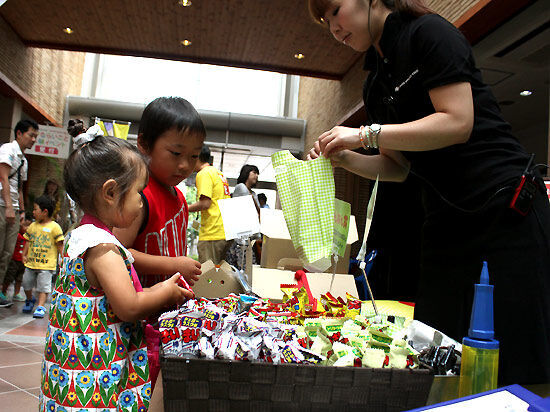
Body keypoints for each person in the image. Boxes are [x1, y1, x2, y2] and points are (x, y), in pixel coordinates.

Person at [307, 0, 550, 385]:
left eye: (335, 9)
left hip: (503, 206)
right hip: (444, 217)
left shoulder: (428, 33)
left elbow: (458, 121)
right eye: (324, 21)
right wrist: (346, 159)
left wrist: (364, 134)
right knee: (435, 350)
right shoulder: (375, 82)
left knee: (516, 357)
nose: (333, 27)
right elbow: (399, 168)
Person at [39, 130, 193, 411]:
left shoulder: (81, 237)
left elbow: (110, 299)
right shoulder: (103, 249)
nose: (141, 201)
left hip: (71, 371)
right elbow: (129, 307)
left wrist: (158, 288)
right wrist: (165, 292)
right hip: (94, 379)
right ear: (111, 193)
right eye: (138, 192)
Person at [112, 96, 203, 391]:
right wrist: (174, 265)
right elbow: (117, 254)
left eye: (194, 156)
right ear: (144, 144)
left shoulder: (179, 197)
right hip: (139, 317)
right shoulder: (139, 196)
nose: (185, 165)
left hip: (164, 313)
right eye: (175, 153)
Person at [0, 119, 37, 308]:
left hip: (13, 210)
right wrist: (8, 206)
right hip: (2, 206)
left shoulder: (24, 160)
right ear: (19, 134)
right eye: (31, 135)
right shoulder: (8, 150)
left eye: (35, 136)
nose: (33, 140)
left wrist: (21, 211)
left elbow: (20, 188)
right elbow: (3, 178)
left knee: (7, 252)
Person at [20, 195, 64, 318]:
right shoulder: (33, 226)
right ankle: (29, 299)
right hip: (31, 263)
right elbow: (27, 241)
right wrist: (24, 254)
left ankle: (40, 306)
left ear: (45, 212)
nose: (33, 212)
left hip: (47, 264)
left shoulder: (55, 227)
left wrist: (63, 259)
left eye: (35, 209)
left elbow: (60, 244)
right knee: (26, 283)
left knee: (44, 286)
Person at [188, 145, 231, 264]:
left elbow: (205, 203)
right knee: (219, 273)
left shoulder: (204, 173)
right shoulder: (219, 174)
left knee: (207, 274)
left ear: (196, 157)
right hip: (224, 232)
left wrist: (184, 208)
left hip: (212, 232)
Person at [226, 164, 261, 268]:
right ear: (246, 173)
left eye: (257, 174)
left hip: (248, 236)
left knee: (246, 265)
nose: (256, 176)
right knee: (242, 265)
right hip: (241, 236)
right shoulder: (241, 187)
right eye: (254, 172)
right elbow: (248, 209)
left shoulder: (253, 193)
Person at [1, 213, 32, 302]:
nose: (27, 228)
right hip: (14, 259)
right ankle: (3, 292)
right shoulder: (16, 235)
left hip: (22, 261)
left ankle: (16, 293)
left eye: (29, 226)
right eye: (25, 226)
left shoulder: (28, 238)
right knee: (9, 277)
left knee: (19, 278)